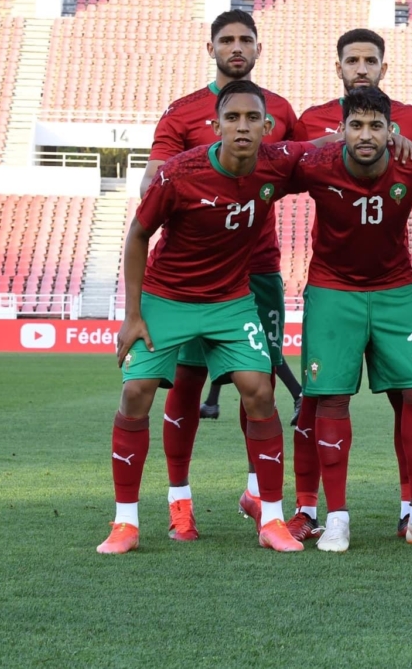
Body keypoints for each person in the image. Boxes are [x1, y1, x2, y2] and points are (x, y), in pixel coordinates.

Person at [98, 80, 307, 554]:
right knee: (135, 392)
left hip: (230, 300)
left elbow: (324, 148)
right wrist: (133, 315)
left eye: (252, 118)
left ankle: (272, 519)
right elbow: (137, 234)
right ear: (215, 126)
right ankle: (125, 523)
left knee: (260, 390)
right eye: (232, 118)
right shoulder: (180, 173)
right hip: (167, 296)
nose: (242, 127)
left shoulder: (277, 163)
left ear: (267, 127)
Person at [286, 86, 412, 552]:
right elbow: (263, 172)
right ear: (341, 129)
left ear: (392, 130)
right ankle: (336, 519)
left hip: (397, 291)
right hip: (333, 292)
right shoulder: (315, 164)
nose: (365, 135)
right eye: (356, 125)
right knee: (330, 399)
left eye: (376, 126)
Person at [142, 10, 299, 537]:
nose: (236, 47)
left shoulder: (279, 109)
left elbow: (305, 163)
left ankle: (257, 494)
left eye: (245, 40)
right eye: (226, 40)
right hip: (194, 277)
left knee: (259, 383)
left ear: (258, 48)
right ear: (210, 48)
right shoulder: (184, 111)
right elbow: (153, 179)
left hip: (259, 268)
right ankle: (179, 501)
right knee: (186, 382)